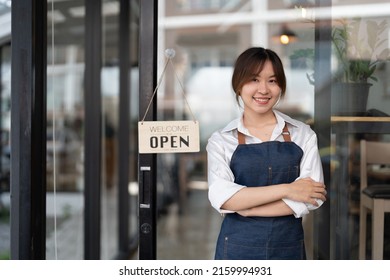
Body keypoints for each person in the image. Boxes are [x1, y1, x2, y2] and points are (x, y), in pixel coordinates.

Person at [206, 47, 327, 260]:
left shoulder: (303, 134)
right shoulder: (222, 140)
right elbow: (224, 198)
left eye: (272, 80)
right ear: (238, 84)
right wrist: (289, 189)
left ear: (280, 86)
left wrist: (248, 207)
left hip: (288, 249)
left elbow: (311, 198)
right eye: (254, 79)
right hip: (236, 250)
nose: (263, 89)